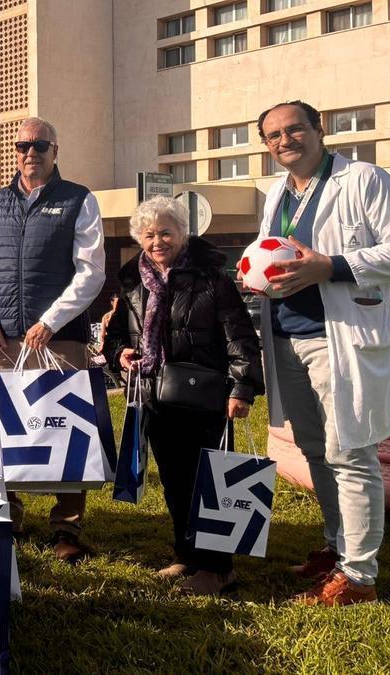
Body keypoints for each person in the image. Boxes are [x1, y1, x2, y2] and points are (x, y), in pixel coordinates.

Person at [254, 100, 390, 606]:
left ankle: (359, 578)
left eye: (294, 130)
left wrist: (332, 265)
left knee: (349, 453)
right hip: (287, 336)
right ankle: (336, 548)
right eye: (273, 135)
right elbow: (271, 251)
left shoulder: (364, 179)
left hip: (340, 336)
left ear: (321, 128)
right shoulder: (276, 193)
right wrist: (254, 275)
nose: (283, 141)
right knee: (315, 451)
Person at [104, 196, 262, 596]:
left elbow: (239, 334)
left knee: (206, 482)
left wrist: (242, 386)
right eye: (149, 234)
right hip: (156, 396)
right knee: (175, 482)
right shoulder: (133, 281)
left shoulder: (212, 277)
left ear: (182, 233)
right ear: (139, 238)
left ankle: (218, 569)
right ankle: (187, 554)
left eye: (166, 232)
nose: (158, 241)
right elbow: (118, 336)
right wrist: (119, 353)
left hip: (205, 397)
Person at [0, 117, 106, 562]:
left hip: (58, 340)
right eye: (22, 145)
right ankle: (8, 514)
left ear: (55, 150)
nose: (30, 152)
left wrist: (51, 321)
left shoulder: (79, 200)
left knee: (64, 431)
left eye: (40, 145)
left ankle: (67, 527)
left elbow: (91, 272)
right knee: (4, 433)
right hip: (2, 340)